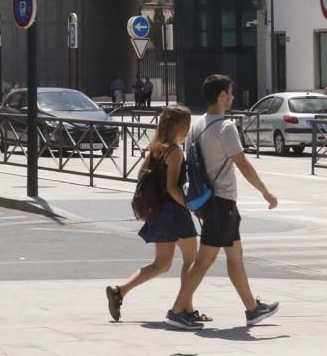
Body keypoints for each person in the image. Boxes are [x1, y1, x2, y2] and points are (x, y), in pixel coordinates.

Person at [167, 74, 279, 330]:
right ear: (221, 96)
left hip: (212, 201)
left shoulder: (197, 125)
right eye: (230, 92)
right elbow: (242, 163)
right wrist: (266, 192)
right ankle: (176, 310)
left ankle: (252, 308)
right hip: (221, 202)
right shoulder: (225, 127)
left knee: (235, 254)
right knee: (205, 260)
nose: (233, 96)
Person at [105, 105, 209, 324]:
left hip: (158, 211)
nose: (189, 128)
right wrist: (192, 207)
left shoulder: (154, 149)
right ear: (179, 126)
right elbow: (173, 187)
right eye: (187, 124)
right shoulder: (175, 152)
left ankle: (119, 291)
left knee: (161, 264)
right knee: (192, 259)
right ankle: (185, 308)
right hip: (174, 212)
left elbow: (142, 176)